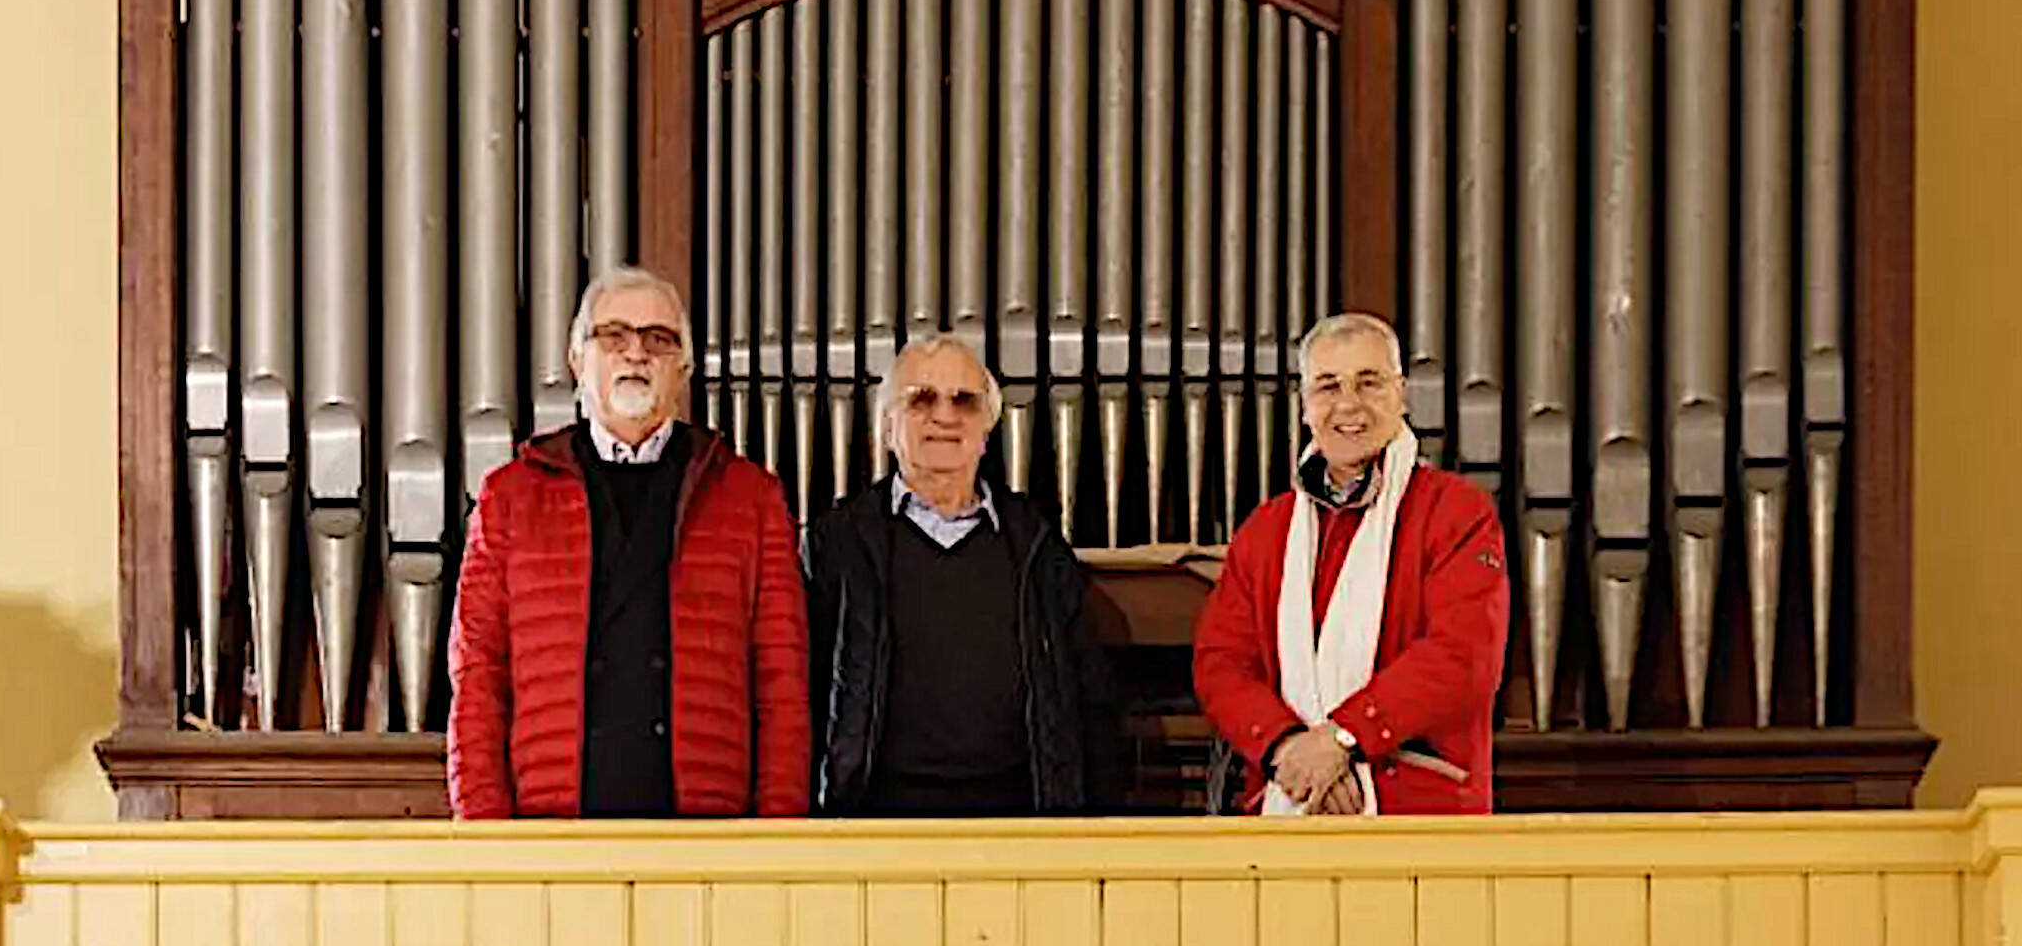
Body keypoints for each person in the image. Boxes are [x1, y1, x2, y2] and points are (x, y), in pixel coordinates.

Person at [446, 266, 810, 818]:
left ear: (684, 368)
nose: (636, 353)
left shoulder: (751, 499)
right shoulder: (510, 498)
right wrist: (485, 837)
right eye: (613, 336)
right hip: (549, 835)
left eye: (659, 339)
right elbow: (478, 677)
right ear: (577, 361)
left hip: (709, 836)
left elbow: (782, 683)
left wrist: (774, 838)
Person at [1192, 312, 1509, 815]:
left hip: (1419, 810)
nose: (1348, 405)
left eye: (1369, 382)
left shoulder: (1456, 513)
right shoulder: (1266, 531)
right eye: (1327, 386)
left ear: (1401, 394)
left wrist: (1344, 740)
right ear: (1304, 407)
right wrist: (1287, 748)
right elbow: (1221, 663)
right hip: (1288, 794)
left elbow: (1462, 657)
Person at [806, 333, 1123, 815]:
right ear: (887, 427)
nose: (946, 417)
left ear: (987, 430)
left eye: (965, 401)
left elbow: (1088, 698)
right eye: (922, 400)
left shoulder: (1038, 546)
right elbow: (804, 693)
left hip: (1022, 823)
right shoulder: (838, 545)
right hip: (874, 825)